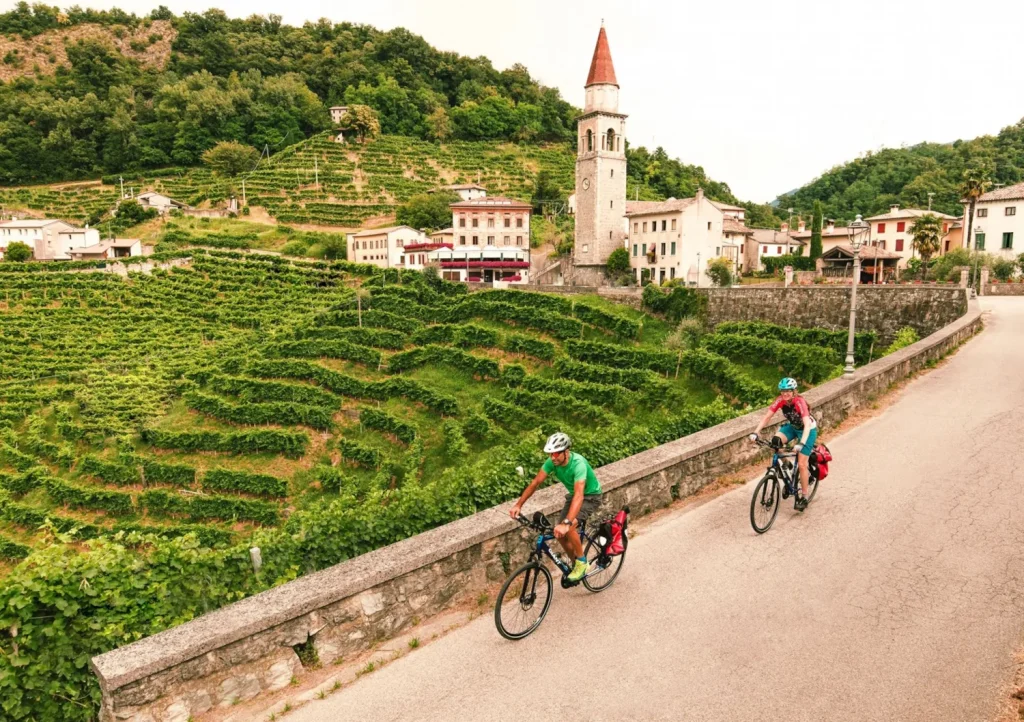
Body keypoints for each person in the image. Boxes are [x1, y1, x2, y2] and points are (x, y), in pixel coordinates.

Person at [509, 432, 602, 582]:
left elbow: (580, 495)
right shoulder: (552, 462)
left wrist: (567, 523)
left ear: (566, 452)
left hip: (590, 496)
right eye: (550, 454)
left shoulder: (578, 464)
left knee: (569, 526)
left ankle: (582, 562)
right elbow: (535, 483)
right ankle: (575, 563)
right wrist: (518, 505)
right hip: (574, 496)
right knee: (559, 533)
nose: (553, 457)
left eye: (556, 453)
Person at [750, 377, 818, 511]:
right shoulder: (780, 401)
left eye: (788, 391)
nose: (785, 393)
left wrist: (802, 443)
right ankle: (786, 464)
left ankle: (803, 496)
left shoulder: (800, 402)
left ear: (794, 391)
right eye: (783, 391)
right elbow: (767, 417)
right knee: (775, 442)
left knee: (802, 464)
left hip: (807, 430)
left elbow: (806, 424)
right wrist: (756, 432)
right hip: (792, 427)